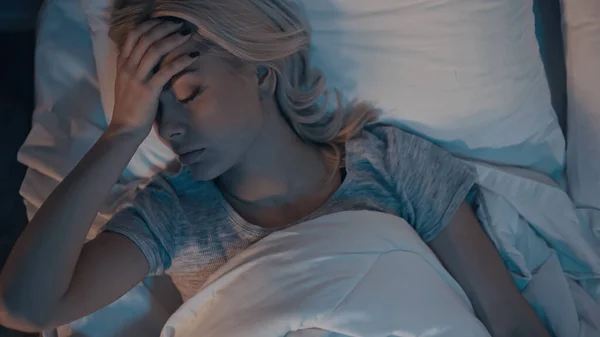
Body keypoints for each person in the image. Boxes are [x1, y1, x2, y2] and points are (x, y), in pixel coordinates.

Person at [0, 0, 550, 336]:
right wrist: (121, 132)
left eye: (188, 94)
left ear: (262, 73)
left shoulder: (391, 163)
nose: (169, 131)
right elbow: (23, 308)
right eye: (151, 112)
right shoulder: (172, 214)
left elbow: (510, 322)